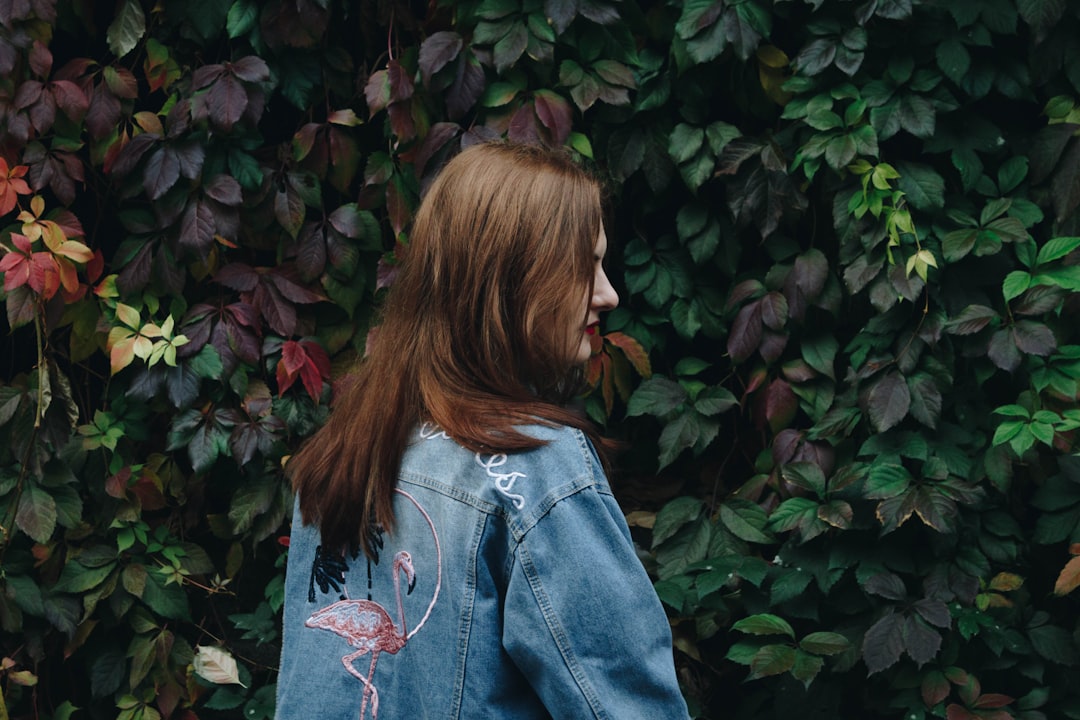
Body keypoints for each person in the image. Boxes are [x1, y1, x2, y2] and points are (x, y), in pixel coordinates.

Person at [276, 142, 690, 720]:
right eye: (584, 267)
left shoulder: (343, 454)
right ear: (515, 281)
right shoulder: (539, 470)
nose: (609, 294)